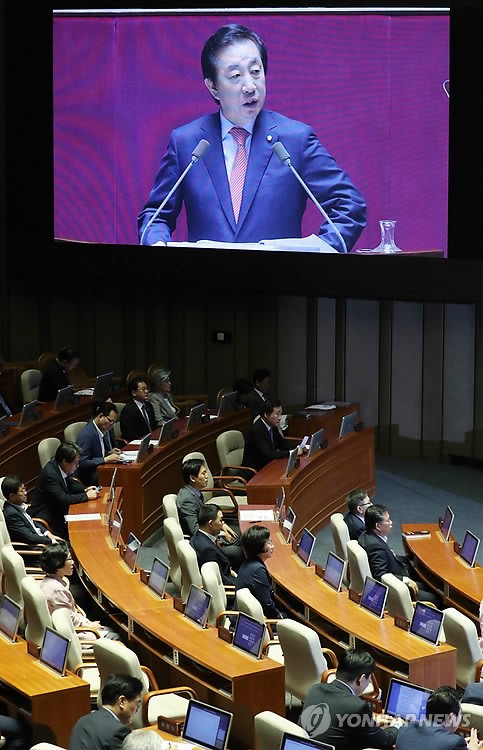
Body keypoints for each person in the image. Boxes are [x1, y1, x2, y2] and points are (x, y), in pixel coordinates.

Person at [138, 23, 366, 252]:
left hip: (280, 281)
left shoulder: (295, 139)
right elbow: (155, 216)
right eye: (236, 75)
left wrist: (321, 250)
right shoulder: (187, 143)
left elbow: (349, 205)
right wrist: (159, 250)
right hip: (205, 282)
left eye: (256, 72)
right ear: (213, 87)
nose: (250, 86)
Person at [299, 648, 400, 749]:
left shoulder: (315, 689)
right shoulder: (357, 707)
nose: (369, 682)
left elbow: (337, 720)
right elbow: (383, 741)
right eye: (369, 679)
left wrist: (371, 721)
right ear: (361, 679)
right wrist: (396, 726)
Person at [358, 504, 441, 606]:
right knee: (436, 598)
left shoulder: (365, 535)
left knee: (427, 585)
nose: (391, 522)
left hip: (398, 574)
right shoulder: (376, 546)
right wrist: (405, 581)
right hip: (397, 589)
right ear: (378, 526)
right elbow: (380, 576)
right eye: (388, 521)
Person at [39, 542, 119, 639]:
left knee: (109, 627)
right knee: (115, 635)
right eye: (69, 559)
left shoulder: (50, 581)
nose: (72, 562)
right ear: (58, 564)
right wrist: (90, 626)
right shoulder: (56, 590)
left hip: (75, 624)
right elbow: (68, 620)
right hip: (73, 635)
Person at [176, 458, 243, 570]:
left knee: (244, 540)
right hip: (205, 545)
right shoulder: (187, 500)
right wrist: (220, 533)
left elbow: (205, 516)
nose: (207, 476)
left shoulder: (194, 492)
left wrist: (221, 524)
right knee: (239, 551)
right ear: (192, 478)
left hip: (211, 533)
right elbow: (195, 530)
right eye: (203, 473)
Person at [28, 442, 99, 538]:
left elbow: (70, 483)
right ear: (65, 461)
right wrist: (86, 496)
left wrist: (85, 489)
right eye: (76, 463)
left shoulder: (59, 466)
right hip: (49, 518)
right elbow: (62, 499)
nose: (78, 466)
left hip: (59, 510)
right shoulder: (50, 475)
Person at [68, 673, 143, 750]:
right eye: (137, 704)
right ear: (122, 701)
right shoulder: (118, 732)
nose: (137, 709)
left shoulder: (83, 720)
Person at [395, 685, 482, 749]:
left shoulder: (405, 729)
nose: (461, 717)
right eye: (460, 714)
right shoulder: (455, 743)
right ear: (450, 718)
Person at [235, 525, 286, 619]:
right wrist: (280, 617)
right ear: (260, 547)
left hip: (244, 616)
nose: (272, 546)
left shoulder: (249, 562)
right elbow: (267, 604)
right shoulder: (258, 570)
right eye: (269, 543)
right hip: (255, 622)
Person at [1, 475, 63, 547]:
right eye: (21, 491)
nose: (25, 493)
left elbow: (32, 522)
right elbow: (30, 537)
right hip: (36, 547)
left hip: (42, 538)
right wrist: (51, 541)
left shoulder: (19, 505)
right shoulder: (11, 514)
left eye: (24, 489)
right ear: (11, 496)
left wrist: (47, 533)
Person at [242, 399, 302, 472]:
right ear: (266, 415)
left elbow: (282, 444)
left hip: (268, 465)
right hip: (255, 472)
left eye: (281, 414)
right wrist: (291, 453)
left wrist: (299, 447)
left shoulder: (272, 426)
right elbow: (268, 453)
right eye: (277, 414)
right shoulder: (256, 430)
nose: (280, 418)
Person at [76, 401, 122, 485]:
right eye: (110, 421)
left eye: (114, 422)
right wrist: (105, 459)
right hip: (91, 478)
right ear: (100, 416)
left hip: (101, 470)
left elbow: (95, 454)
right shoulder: (87, 435)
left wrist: (108, 453)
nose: (112, 425)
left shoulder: (99, 430)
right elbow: (82, 462)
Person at [190, 504, 237, 586]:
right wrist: (240, 583)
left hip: (228, 572)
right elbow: (220, 580)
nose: (222, 524)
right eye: (220, 520)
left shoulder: (198, 536)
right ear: (210, 523)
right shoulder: (207, 550)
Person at [120, 376, 156, 443]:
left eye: (147, 388)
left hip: (152, 441)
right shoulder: (128, 410)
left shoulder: (149, 405)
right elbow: (129, 434)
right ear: (134, 392)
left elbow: (154, 426)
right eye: (143, 389)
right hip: (138, 443)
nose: (146, 391)